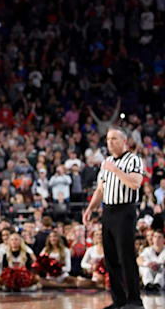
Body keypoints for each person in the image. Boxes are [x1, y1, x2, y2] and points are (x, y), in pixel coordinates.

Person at [83, 128, 145, 309]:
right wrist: (89, 209)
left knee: (126, 256)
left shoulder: (133, 159)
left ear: (124, 141)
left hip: (125, 211)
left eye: (114, 139)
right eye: (108, 139)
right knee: (110, 258)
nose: (110, 142)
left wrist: (116, 170)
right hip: (107, 211)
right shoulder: (107, 161)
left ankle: (135, 300)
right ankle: (119, 301)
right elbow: (100, 190)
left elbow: (135, 183)